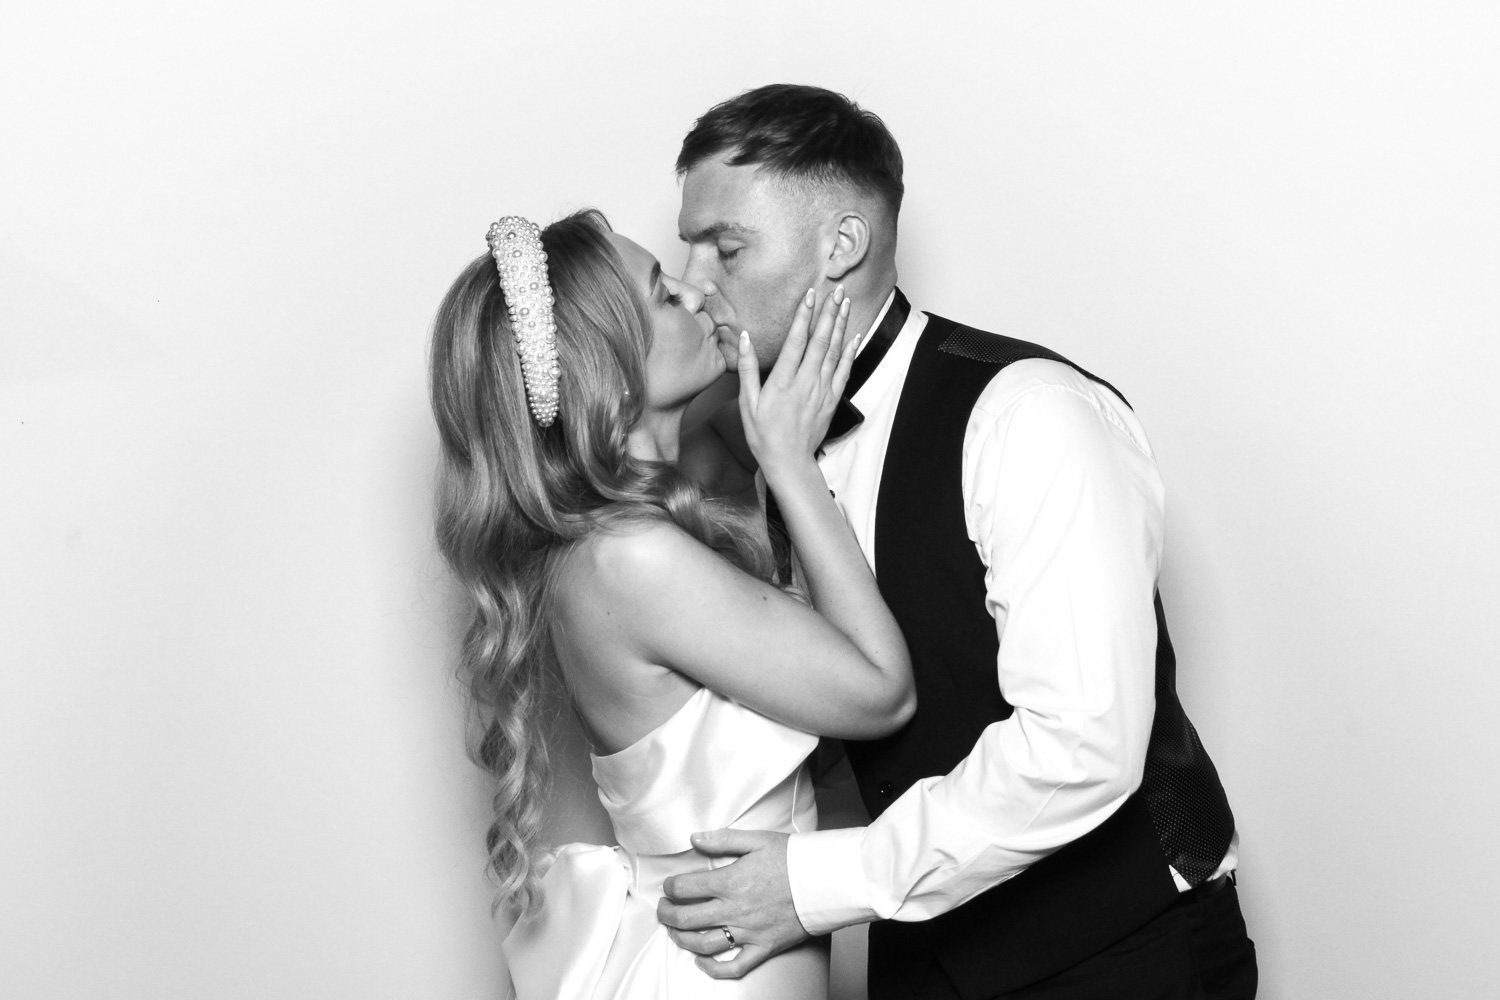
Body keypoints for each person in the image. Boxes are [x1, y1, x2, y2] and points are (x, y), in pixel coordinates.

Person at [656, 85, 1258, 999]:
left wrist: (814, 884)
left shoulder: (1031, 414)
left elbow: (1081, 745)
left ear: (842, 245)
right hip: (919, 953)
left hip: (1120, 954)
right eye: (687, 249)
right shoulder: (764, 438)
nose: (696, 283)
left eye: (726, 248)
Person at [428, 209, 914, 999]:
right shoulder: (632, 560)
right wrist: (789, 462)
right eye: (663, 292)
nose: (695, 292)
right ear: (609, 370)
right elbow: (882, 692)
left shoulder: (615, 538)